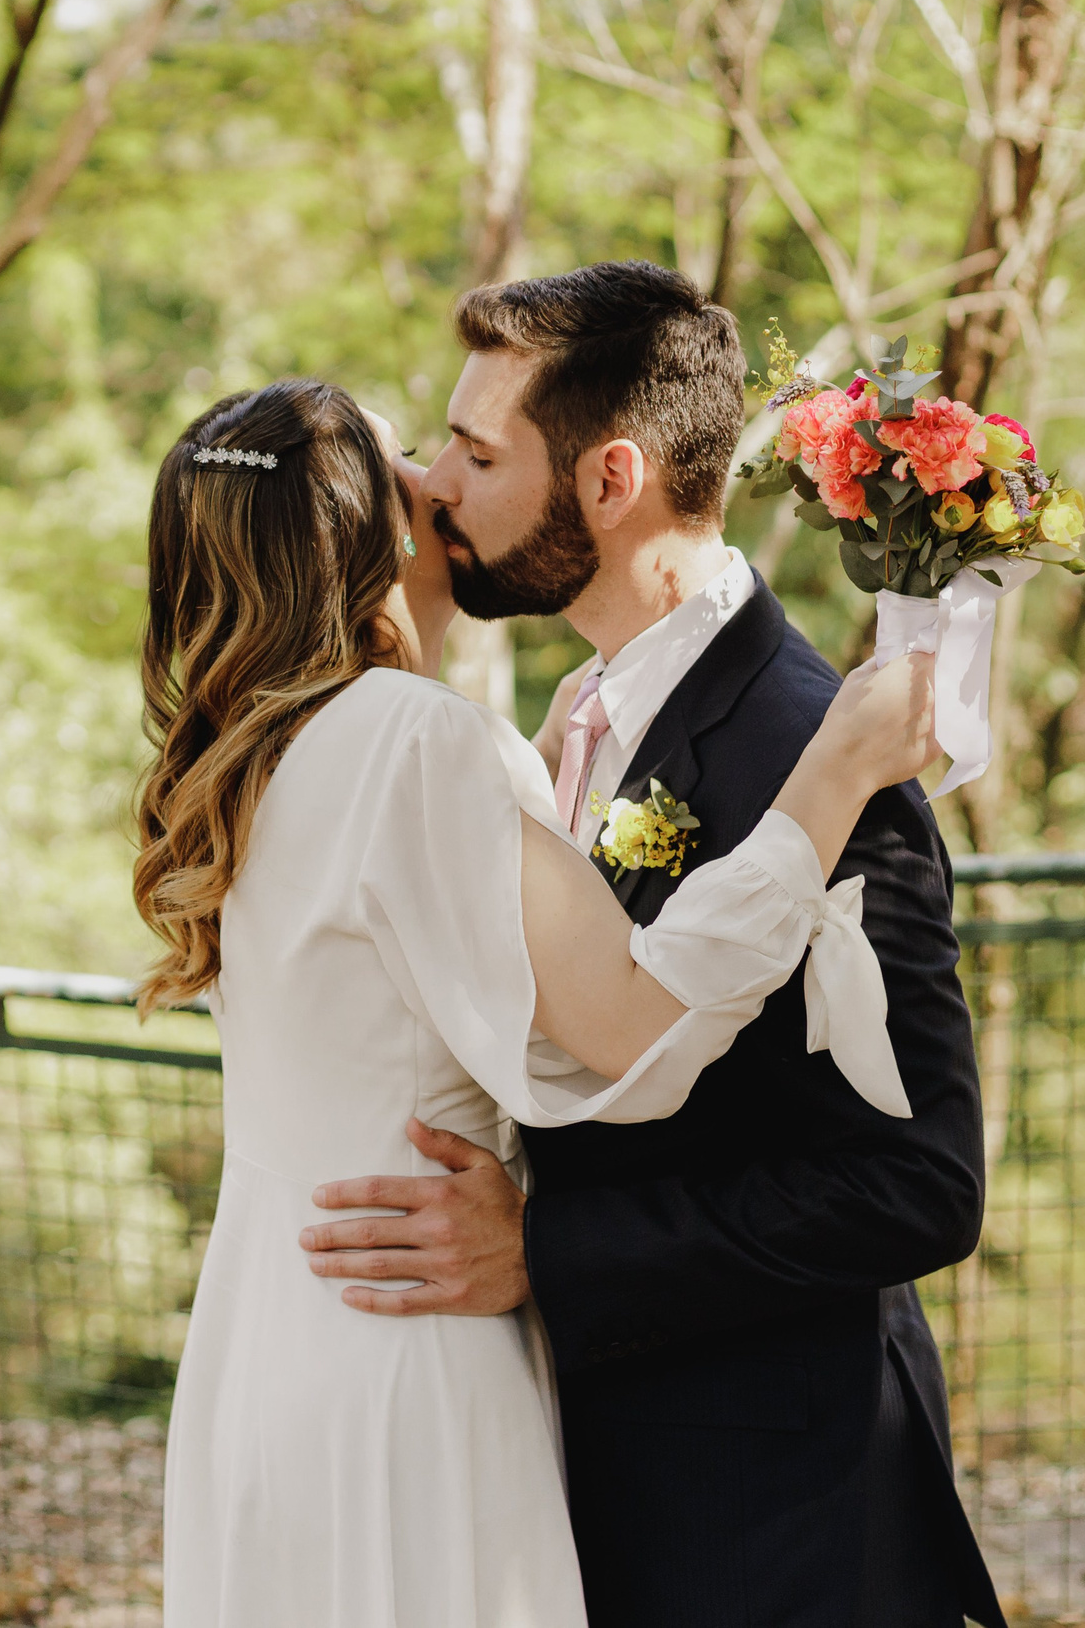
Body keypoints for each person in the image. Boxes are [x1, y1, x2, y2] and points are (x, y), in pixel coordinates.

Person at [138, 372, 939, 1626]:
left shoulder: (252, 749)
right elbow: (630, 1028)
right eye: (412, 456)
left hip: (268, 1342)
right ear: (373, 529)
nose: (441, 478)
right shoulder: (409, 738)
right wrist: (829, 779)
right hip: (405, 1351)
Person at [297, 262, 1007, 1627]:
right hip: (582, 1482)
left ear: (608, 479)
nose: (435, 482)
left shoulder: (819, 749)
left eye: (478, 449)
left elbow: (920, 1183)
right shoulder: (574, 710)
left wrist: (550, 1249)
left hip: (769, 1520)